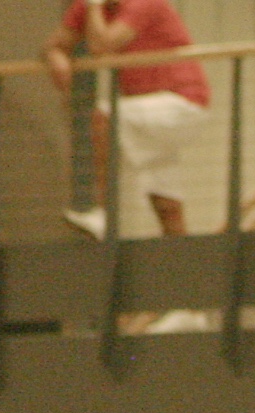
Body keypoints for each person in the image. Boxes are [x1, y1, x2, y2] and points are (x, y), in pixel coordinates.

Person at [40, 0, 209, 242]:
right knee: (165, 201)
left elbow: (102, 46)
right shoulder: (86, 7)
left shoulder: (143, 3)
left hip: (181, 103)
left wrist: (93, 7)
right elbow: (55, 44)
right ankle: (181, 254)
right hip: (146, 111)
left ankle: (102, 213)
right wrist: (55, 55)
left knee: (104, 117)